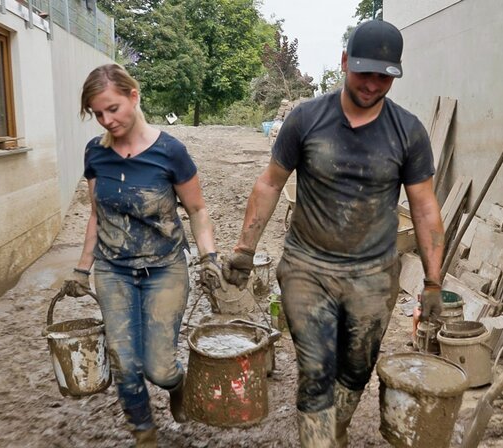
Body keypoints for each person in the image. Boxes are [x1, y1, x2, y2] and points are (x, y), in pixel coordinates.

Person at [222, 20, 445, 447]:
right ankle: (318, 440)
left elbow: (424, 205)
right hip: (308, 267)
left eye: (385, 76)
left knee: (358, 367)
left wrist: (433, 281)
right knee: (316, 367)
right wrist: (243, 249)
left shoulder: (409, 132)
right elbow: (270, 183)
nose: (373, 84)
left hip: (373, 274)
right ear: (344, 62)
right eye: (364, 72)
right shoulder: (307, 118)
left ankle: (331, 429)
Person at [62, 64, 223, 447]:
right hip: (113, 269)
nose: (106, 120)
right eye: (98, 113)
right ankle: (144, 432)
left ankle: (177, 386)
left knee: (160, 367)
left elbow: (198, 211)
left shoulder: (170, 152)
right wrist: (82, 269)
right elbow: (97, 215)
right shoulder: (95, 154)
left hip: (164, 268)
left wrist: (209, 258)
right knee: (124, 361)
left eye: (112, 108)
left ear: (134, 96)